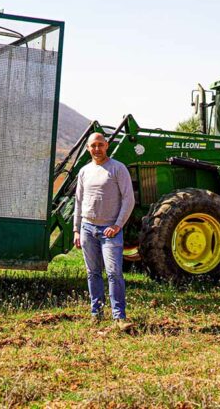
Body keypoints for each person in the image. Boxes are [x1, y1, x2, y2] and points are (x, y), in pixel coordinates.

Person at [73, 132, 135, 329]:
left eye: (100, 144)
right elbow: (78, 202)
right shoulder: (84, 171)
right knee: (92, 273)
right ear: (88, 148)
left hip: (110, 230)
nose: (97, 149)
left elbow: (128, 199)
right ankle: (96, 313)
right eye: (93, 145)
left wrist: (117, 225)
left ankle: (119, 317)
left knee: (114, 272)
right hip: (87, 228)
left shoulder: (118, 168)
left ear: (107, 145)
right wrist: (76, 230)